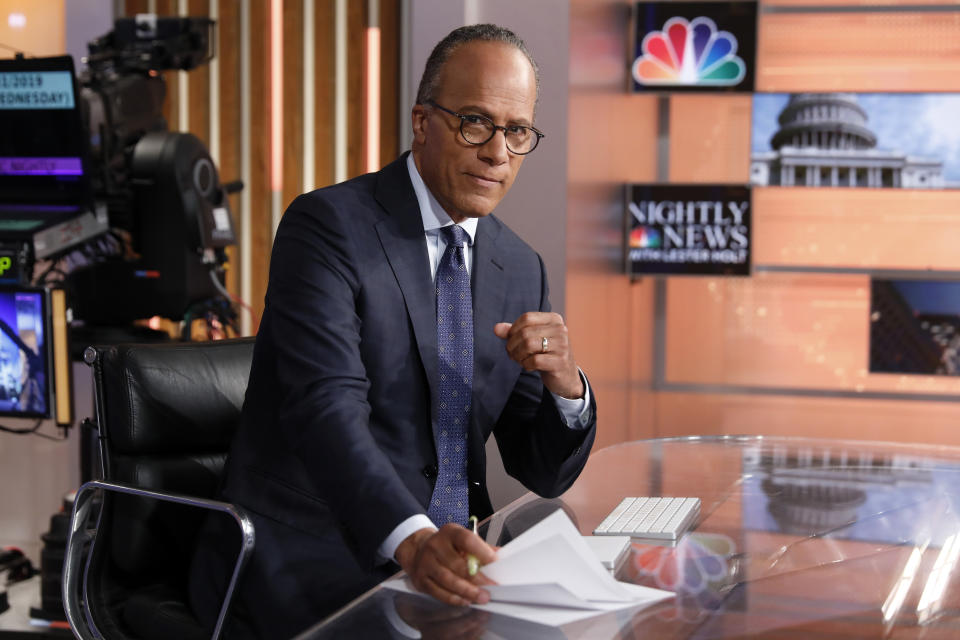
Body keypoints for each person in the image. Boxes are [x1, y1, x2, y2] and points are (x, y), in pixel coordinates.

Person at [189, 23, 597, 639]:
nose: (497, 153)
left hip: (457, 567)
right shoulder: (329, 226)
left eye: (517, 132)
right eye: (475, 123)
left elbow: (541, 469)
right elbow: (325, 407)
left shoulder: (518, 266)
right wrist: (414, 542)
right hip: (316, 557)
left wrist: (567, 390)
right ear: (421, 122)